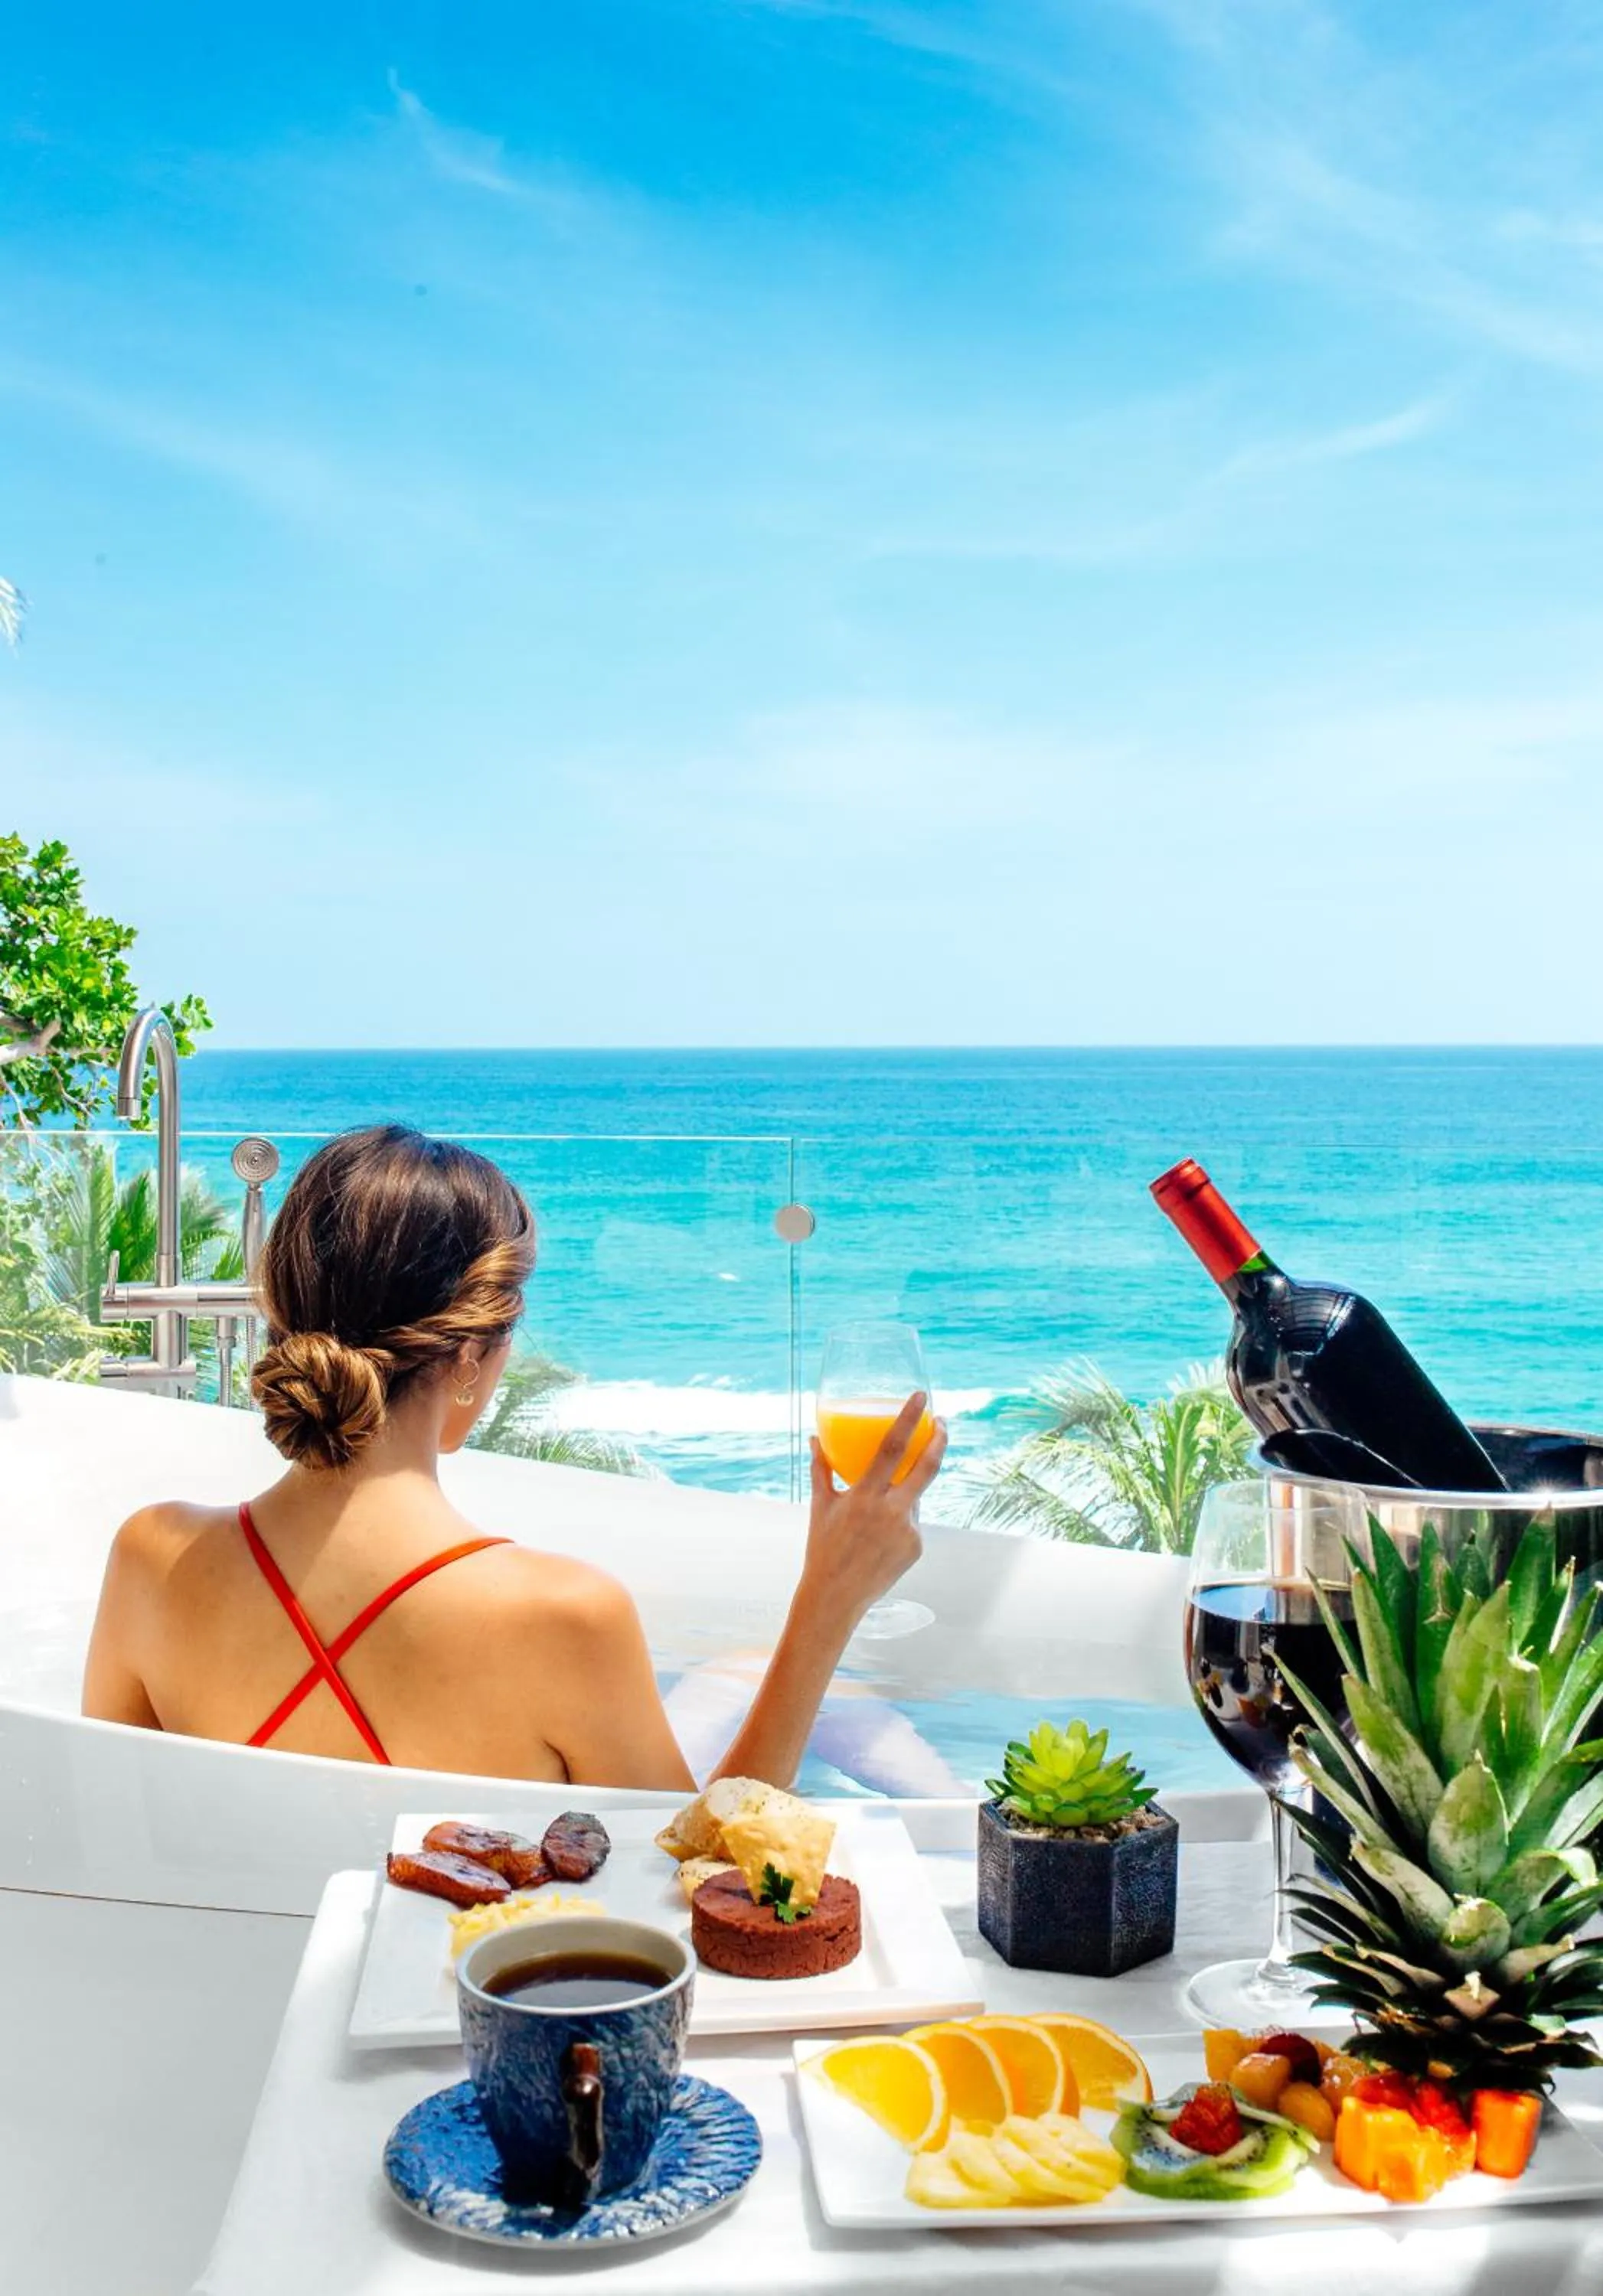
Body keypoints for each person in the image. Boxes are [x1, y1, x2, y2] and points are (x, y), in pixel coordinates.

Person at [82, 1126, 945, 1786]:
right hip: (484, 2015)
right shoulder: (565, 1617)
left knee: (731, 1677)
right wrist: (827, 1602)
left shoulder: (151, 1560)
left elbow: (110, 1843)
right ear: (468, 1355)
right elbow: (701, 1899)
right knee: (754, 1678)